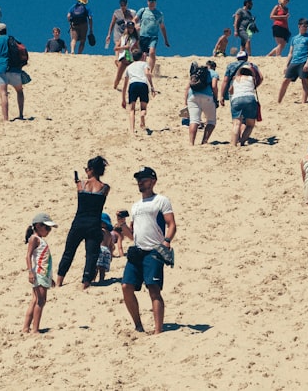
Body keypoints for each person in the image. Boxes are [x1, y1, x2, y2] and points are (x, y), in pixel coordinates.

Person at [117, 167, 176, 335]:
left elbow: (171, 223)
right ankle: (138, 325)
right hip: (137, 250)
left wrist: (167, 241)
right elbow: (132, 235)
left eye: (144, 179)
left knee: (153, 288)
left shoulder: (161, 200)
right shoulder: (135, 206)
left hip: (154, 250)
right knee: (126, 286)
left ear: (153, 181)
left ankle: (158, 330)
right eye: (138, 180)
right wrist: (121, 224)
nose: (140, 182)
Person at [55, 156, 111, 290]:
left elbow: (82, 192)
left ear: (90, 170)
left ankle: (59, 281)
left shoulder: (81, 184)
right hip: (94, 224)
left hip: (79, 222)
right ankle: (85, 282)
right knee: (91, 255)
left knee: (69, 252)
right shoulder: (105, 188)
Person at [23, 213, 57, 334]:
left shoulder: (41, 240)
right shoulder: (35, 239)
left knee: (35, 300)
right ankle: (35, 329)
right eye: (47, 228)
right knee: (40, 301)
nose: (49, 231)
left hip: (44, 273)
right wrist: (30, 271)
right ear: (38, 226)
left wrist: (50, 277)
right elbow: (28, 256)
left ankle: (26, 328)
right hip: (39, 273)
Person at [0, 23, 26, 121]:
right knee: (19, 91)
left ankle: (5, 118)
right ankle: (21, 114)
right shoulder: (13, 39)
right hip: (14, 69)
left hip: (1, 68)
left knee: (3, 93)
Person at [277, 19, 308, 104]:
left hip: (303, 61)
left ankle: (303, 102)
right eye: (303, 26)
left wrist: (307, 63)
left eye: (306, 26)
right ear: (299, 26)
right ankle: (279, 101)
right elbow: (290, 53)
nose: (305, 28)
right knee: (285, 80)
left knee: (304, 81)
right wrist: (286, 65)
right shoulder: (294, 39)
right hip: (294, 62)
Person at [184, 60, 218, 145]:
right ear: (214, 67)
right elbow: (214, 86)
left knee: (194, 120)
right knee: (211, 121)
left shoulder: (196, 72)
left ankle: (191, 142)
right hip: (207, 97)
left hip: (192, 96)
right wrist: (215, 98)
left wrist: (185, 100)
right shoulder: (214, 73)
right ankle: (204, 141)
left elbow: (187, 87)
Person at [228, 60, 262, 147]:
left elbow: (230, 91)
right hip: (249, 98)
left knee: (236, 124)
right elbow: (260, 79)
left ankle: (233, 144)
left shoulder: (235, 79)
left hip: (236, 99)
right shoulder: (252, 79)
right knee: (250, 124)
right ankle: (242, 141)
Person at [121, 48, 155, 133]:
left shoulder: (129, 67)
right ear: (142, 56)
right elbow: (147, 73)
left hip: (133, 85)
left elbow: (124, 85)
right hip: (143, 84)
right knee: (143, 108)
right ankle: (142, 116)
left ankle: (132, 130)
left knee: (132, 109)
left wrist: (123, 99)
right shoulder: (144, 64)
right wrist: (152, 87)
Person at [134, 0, 169, 73]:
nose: (151, 3)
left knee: (152, 52)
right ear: (147, 2)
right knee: (143, 56)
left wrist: (166, 40)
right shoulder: (143, 10)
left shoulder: (159, 14)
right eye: (150, 1)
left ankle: (150, 71)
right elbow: (134, 20)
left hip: (153, 37)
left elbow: (162, 27)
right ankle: (141, 71)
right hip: (143, 36)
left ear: (155, 3)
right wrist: (135, 25)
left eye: (153, 1)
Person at [112, 21, 139, 90]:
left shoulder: (135, 39)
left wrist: (135, 50)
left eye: (131, 28)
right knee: (118, 77)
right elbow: (115, 48)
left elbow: (137, 49)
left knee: (133, 77)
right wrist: (124, 47)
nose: (130, 29)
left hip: (131, 60)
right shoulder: (122, 38)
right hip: (123, 59)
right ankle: (115, 87)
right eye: (129, 28)